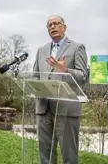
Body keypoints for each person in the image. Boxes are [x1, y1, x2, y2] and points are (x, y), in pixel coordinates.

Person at [33, 15, 88, 164]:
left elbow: (83, 77)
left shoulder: (77, 48)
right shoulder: (41, 50)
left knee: (69, 155)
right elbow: (35, 76)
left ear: (64, 27)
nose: (53, 27)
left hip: (67, 109)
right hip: (44, 108)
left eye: (56, 24)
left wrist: (65, 71)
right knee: (45, 154)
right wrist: (36, 87)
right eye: (50, 25)